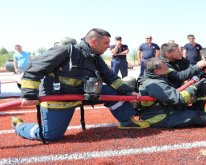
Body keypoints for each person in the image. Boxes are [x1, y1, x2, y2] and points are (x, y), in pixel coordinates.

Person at [11, 28, 150, 142]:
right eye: (106, 43)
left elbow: (110, 76)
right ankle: (20, 126)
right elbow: (35, 68)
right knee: (50, 136)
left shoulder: (95, 57)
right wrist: (29, 94)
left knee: (112, 91)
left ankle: (127, 121)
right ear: (94, 42)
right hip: (59, 98)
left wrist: (127, 91)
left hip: (84, 94)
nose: (109, 46)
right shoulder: (65, 51)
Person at [138, 57, 206, 128]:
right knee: (195, 116)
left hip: (166, 110)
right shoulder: (155, 84)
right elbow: (178, 98)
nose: (167, 66)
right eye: (165, 65)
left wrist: (196, 82)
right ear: (157, 71)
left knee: (192, 109)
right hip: (159, 118)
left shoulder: (159, 77)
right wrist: (194, 87)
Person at [159, 42, 206, 110]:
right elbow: (179, 76)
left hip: (178, 87)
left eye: (180, 50)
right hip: (169, 91)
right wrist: (197, 66)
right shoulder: (162, 64)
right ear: (167, 54)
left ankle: (198, 111)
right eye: (177, 51)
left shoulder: (179, 59)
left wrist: (202, 70)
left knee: (202, 88)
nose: (181, 53)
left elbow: (190, 67)